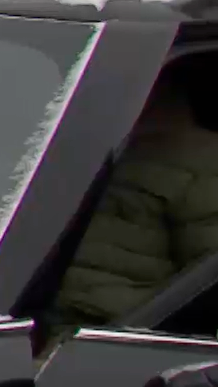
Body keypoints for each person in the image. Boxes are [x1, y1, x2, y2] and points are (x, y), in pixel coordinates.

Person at [49, 60, 218, 328]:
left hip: (118, 337)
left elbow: (206, 286)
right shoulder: (56, 154)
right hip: (33, 325)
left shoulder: (200, 163)